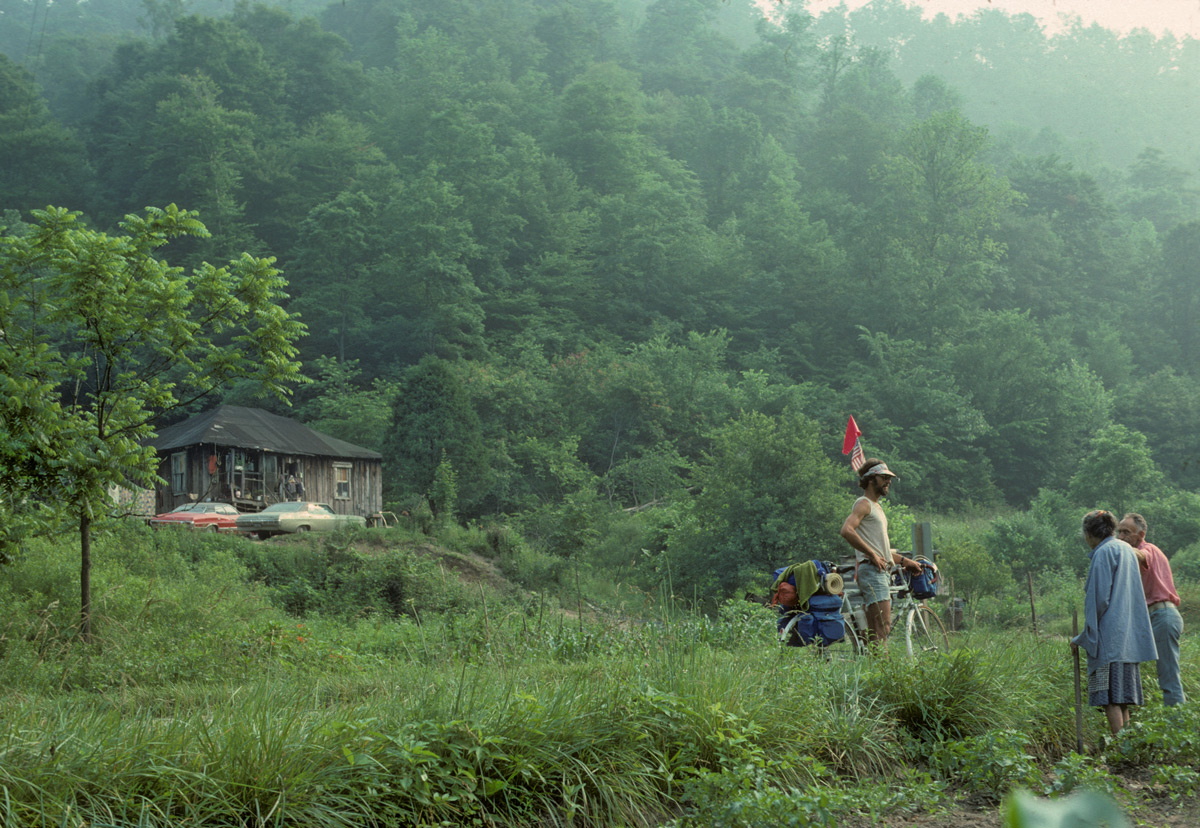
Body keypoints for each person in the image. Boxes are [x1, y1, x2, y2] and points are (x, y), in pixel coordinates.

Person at [1071, 510, 1157, 736]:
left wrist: (1082, 638)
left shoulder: (1103, 553)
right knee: (1122, 700)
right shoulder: (1126, 549)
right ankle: (1128, 746)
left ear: (1090, 534)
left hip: (1110, 640)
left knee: (1109, 698)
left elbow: (1099, 601)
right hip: (1128, 640)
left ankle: (1120, 750)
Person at [839, 458, 923, 647]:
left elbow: (881, 551)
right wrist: (872, 555)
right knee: (882, 629)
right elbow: (847, 530)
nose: (888, 481)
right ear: (871, 479)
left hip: (878, 570)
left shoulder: (877, 507)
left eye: (889, 478)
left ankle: (871, 671)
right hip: (872, 572)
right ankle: (882, 674)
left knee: (873, 633)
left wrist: (905, 561)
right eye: (884, 477)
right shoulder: (864, 504)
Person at [1117, 513, 1186, 706]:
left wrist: (1118, 546)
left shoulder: (1148, 550)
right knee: (1128, 662)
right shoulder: (1130, 557)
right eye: (1119, 532)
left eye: (1126, 532)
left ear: (1141, 534)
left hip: (1163, 615)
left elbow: (1141, 555)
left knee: (1169, 675)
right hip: (1150, 618)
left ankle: (1177, 726)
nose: (1121, 536)